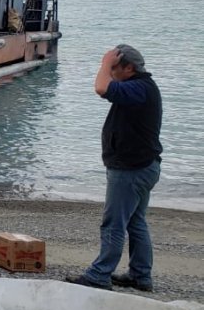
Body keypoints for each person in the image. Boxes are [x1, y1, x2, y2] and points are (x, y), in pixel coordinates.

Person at [66, 45, 162, 291]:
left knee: (114, 223)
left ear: (128, 68)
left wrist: (104, 64)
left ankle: (99, 275)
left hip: (131, 170)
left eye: (114, 68)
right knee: (135, 221)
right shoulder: (139, 88)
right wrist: (109, 64)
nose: (110, 72)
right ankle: (141, 275)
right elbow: (108, 88)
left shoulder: (139, 88)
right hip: (141, 167)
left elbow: (101, 87)